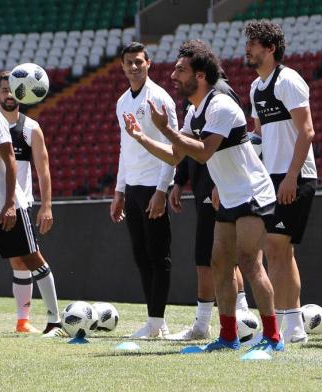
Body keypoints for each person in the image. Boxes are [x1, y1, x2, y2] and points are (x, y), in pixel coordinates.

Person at [124, 39, 283, 357]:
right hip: (228, 195)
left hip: (252, 192)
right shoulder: (196, 110)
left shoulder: (221, 104)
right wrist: (142, 137)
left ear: (200, 76)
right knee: (219, 263)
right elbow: (175, 156)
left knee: (250, 262)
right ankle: (228, 337)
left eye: (180, 70)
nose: (173, 76)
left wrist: (166, 129)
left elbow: (203, 152)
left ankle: (274, 338)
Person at [166, 71, 256, 341]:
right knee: (218, 256)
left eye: (183, 69)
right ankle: (241, 318)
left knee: (213, 257)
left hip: (218, 184)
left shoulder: (221, 97)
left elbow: (229, 144)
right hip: (203, 183)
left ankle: (206, 324)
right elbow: (184, 148)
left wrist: (219, 183)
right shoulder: (193, 104)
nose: (176, 75)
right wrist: (179, 181)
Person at [245, 20, 317, 344]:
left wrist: (290, 176)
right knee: (282, 252)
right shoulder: (254, 88)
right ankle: (294, 327)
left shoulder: (288, 80)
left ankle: (275, 328)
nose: (247, 48)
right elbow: (259, 136)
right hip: (270, 176)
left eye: (253, 43)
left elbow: (307, 131)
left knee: (274, 247)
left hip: (295, 174)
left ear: (270, 48)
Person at [110, 42, 177, 339]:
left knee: (158, 254)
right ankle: (156, 322)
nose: (134, 67)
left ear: (149, 63)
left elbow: (174, 148)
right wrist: (119, 191)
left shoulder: (160, 98)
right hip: (133, 187)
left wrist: (162, 189)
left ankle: (154, 322)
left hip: (153, 186)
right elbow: (125, 148)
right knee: (141, 255)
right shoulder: (122, 101)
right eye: (129, 62)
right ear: (122, 66)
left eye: (139, 61)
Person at [0, 72, 64, 337]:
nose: (8, 95)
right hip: (2, 204)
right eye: (3, 90)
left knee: (29, 259)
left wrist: (47, 205)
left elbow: (43, 169)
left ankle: (54, 321)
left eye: (13, 90)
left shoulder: (31, 128)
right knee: (18, 263)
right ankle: (22, 321)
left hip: (17, 204)